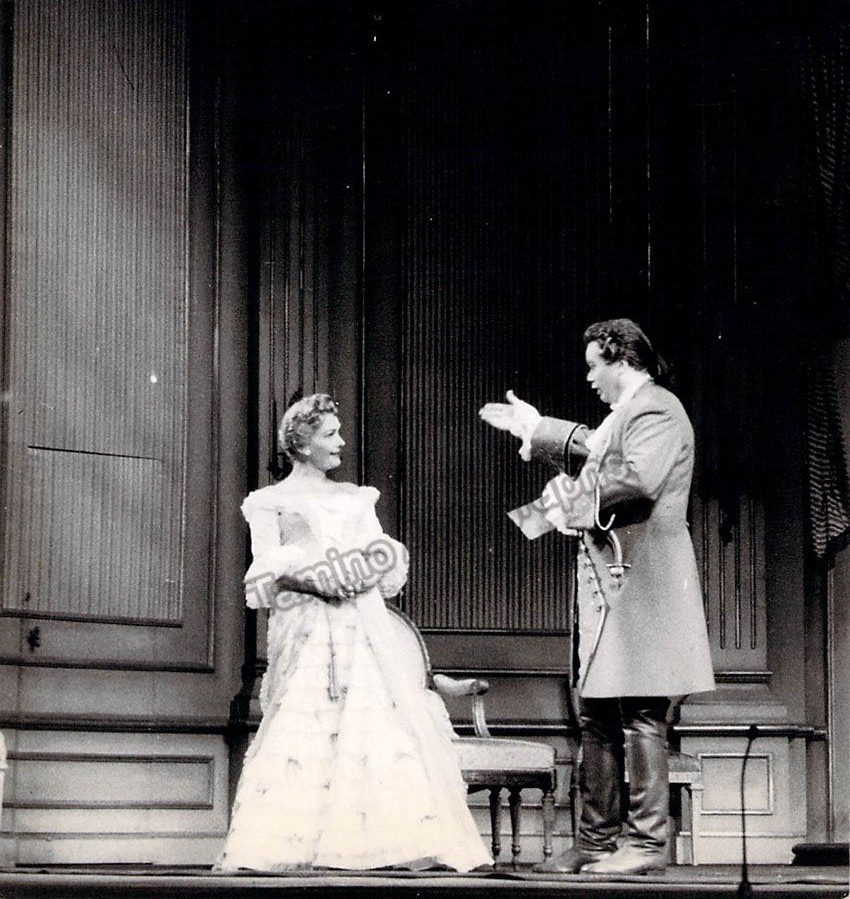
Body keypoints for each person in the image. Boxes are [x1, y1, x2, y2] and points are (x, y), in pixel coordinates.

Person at [215, 393, 491, 874]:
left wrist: (358, 574)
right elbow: (263, 574)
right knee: (305, 722)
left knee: (374, 725)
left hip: (362, 627)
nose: (342, 442)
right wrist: (313, 581)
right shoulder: (269, 502)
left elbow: (381, 555)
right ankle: (292, 846)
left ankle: (378, 844)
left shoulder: (355, 498)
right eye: (330, 434)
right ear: (303, 445)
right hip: (307, 627)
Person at [479, 319, 714, 875]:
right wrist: (537, 431)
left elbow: (637, 479)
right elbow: (598, 455)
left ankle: (648, 843)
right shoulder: (624, 415)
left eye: (594, 366)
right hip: (610, 584)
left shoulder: (657, 409)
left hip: (643, 579)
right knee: (597, 712)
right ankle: (595, 841)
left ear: (623, 360)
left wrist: (562, 495)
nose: (589, 378)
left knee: (640, 712)